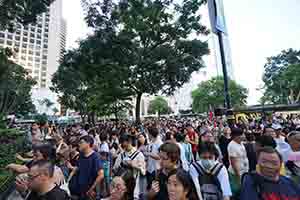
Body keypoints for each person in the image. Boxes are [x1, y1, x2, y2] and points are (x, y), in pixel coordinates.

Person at [68, 135, 104, 200]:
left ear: (88, 143)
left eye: (81, 142)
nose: (79, 144)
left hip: (88, 192)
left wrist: (91, 189)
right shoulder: (81, 155)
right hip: (79, 190)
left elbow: (101, 175)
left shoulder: (95, 157)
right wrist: (68, 181)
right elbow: (77, 168)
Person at [113, 134, 146, 199]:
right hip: (121, 187)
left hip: (135, 187)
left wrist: (133, 165)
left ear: (129, 142)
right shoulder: (121, 155)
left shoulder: (139, 154)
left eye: (123, 142)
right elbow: (115, 168)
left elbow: (144, 171)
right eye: (121, 142)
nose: (122, 144)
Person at [227, 128, 248, 198]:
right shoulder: (232, 146)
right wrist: (238, 175)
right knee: (236, 190)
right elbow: (233, 162)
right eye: (242, 134)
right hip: (236, 173)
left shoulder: (240, 143)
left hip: (243, 171)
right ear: (236, 136)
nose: (244, 136)